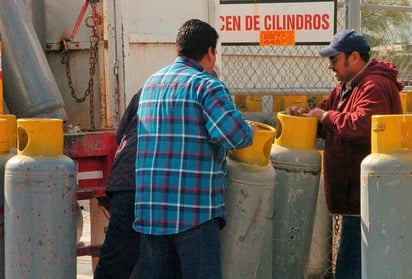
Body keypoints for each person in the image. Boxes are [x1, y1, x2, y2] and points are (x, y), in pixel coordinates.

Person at [133, 19, 254, 279]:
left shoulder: (151, 85)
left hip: (151, 211)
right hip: (194, 214)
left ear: (178, 49)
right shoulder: (207, 85)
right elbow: (236, 137)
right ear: (210, 52)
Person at [286, 29, 404, 279]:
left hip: (370, 202)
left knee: (352, 270)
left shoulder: (375, 86)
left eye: (334, 59)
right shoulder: (346, 87)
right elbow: (327, 114)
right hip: (355, 201)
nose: (330, 66)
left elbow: (363, 126)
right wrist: (306, 115)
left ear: (353, 58)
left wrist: (326, 117)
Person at [94, 89, 142, 279]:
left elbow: (119, 134)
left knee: (116, 255)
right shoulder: (204, 91)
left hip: (123, 178)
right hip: (148, 183)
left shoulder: (147, 89)